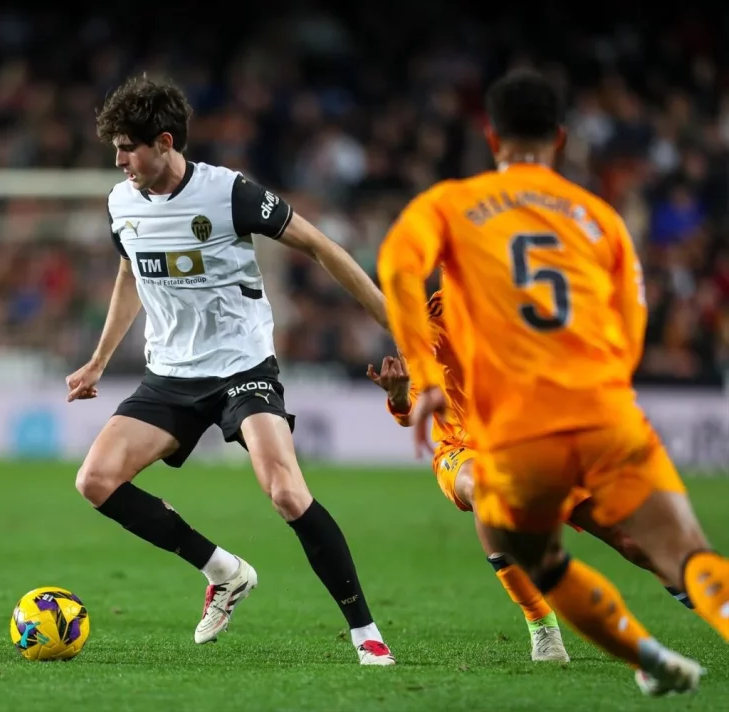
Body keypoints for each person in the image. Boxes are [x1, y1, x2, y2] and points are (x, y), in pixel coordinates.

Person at [377, 68, 728, 696]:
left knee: (570, 549)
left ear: (492, 137)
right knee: (677, 547)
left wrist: (421, 382)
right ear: (561, 138)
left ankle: (640, 652)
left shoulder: (451, 206)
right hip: (588, 413)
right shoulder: (599, 218)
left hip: (518, 431)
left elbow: (397, 264)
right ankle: (555, 632)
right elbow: (631, 322)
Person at [65, 75, 396, 665]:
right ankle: (223, 570)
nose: (118, 161)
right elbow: (131, 273)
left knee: (286, 492)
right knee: (95, 480)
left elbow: (320, 246)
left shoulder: (229, 193)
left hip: (242, 367)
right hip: (170, 376)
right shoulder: (122, 203)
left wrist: (395, 323)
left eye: (127, 148)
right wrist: (99, 360)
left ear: (164, 143)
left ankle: (365, 632)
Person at [368, 291, 695, 663]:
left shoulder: (530, 300)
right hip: (465, 447)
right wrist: (398, 397)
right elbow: (412, 408)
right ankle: (541, 625)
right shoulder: (433, 319)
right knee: (485, 488)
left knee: (633, 542)